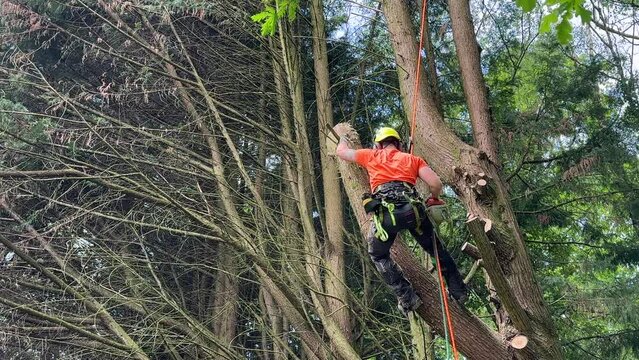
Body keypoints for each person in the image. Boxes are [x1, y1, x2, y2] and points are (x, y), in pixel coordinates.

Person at [336, 126, 468, 315]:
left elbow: (341, 152)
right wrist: (433, 198)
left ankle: (407, 297)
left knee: (378, 255)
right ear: (398, 143)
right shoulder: (413, 159)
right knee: (436, 249)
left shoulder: (372, 155)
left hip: (386, 217)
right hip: (412, 212)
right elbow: (435, 184)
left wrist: (343, 138)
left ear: (379, 144)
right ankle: (459, 291)